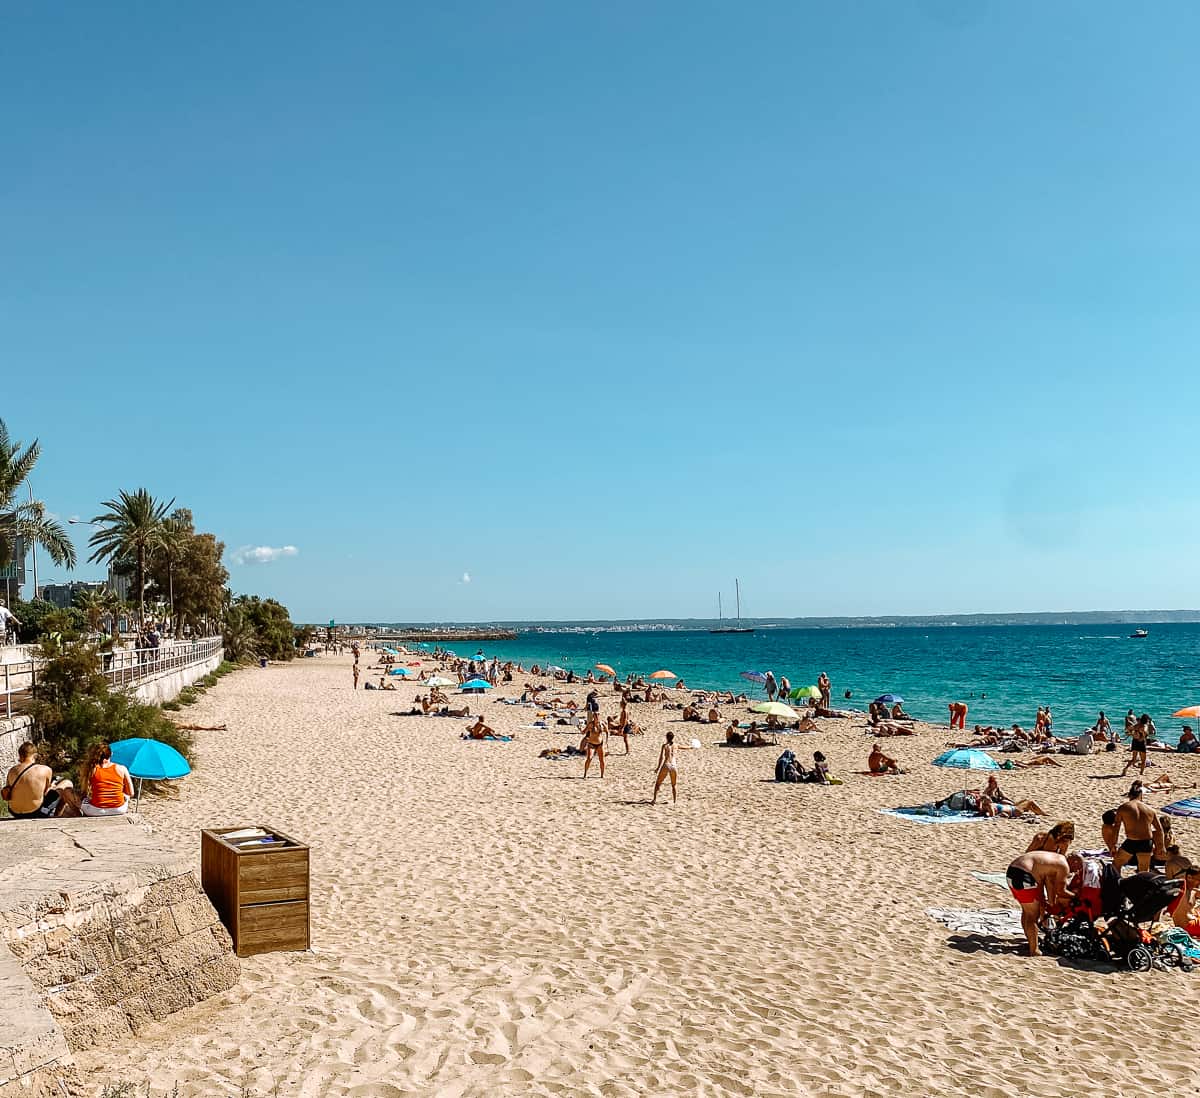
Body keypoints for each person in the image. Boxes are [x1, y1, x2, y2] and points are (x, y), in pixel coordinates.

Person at [1005, 850, 1080, 957]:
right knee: (1032, 916)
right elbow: (1061, 891)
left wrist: (1048, 904)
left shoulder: (1056, 859)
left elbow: (1049, 885)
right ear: (1074, 862)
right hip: (1024, 875)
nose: (1074, 872)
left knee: (1027, 911)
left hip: (1012, 871)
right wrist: (1076, 897)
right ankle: (1034, 950)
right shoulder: (1064, 866)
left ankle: (1031, 942)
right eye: (1077, 868)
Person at [2, 742, 73, 819]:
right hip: (36, 812)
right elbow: (45, 792)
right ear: (35, 755)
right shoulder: (45, 769)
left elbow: (7, 794)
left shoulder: (12, 770)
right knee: (67, 783)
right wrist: (52, 787)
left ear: (20, 755)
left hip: (14, 812)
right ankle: (57, 816)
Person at [1111, 782, 1162, 876]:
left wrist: (1113, 844)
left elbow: (1116, 827)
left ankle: (1117, 884)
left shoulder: (1123, 807)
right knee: (1143, 870)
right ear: (1141, 795)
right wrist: (1161, 847)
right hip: (1146, 842)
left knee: (1116, 864)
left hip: (1131, 841)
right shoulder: (1150, 810)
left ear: (1129, 795)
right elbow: (1159, 830)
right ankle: (1142, 889)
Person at [79, 743, 134, 817]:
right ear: (111, 754)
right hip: (119, 809)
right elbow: (131, 793)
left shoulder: (91, 769)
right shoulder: (122, 768)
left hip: (95, 810)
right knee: (126, 796)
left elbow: (84, 791)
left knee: (83, 801)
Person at [651, 731, 678, 804]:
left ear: (666, 737)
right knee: (674, 785)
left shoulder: (664, 746)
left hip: (666, 764)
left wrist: (658, 768)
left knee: (658, 784)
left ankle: (654, 800)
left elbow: (661, 758)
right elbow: (684, 747)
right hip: (674, 765)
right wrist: (691, 747)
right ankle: (675, 801)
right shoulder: (676, 745)